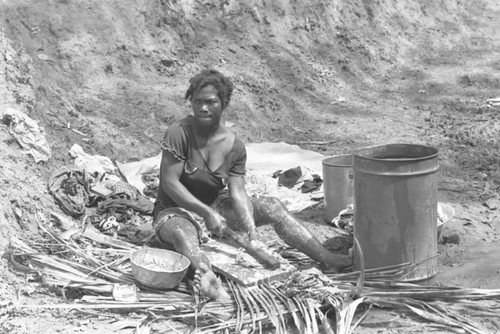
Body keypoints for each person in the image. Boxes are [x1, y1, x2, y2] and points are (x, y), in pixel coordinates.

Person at [153, 69, 352, 300]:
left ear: (224, 103)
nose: (203, 108)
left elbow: (237, 192)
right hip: (174, 211)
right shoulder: (179, 133)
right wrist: (205, 213)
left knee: (273, 206)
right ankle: (208, 279)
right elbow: (169, 183)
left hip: (214, 207)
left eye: (210, 102)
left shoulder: (234, 146)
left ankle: (327, 258)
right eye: (197, 101)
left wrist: (251, 234)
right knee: (181, 235)